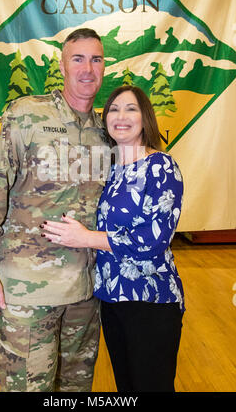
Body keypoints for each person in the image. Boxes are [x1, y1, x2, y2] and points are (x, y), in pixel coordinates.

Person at [0, 28, 107, 392]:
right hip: (27, 294)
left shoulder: (105, 131)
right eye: (78, 58)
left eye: (96, 59)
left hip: (85, 295)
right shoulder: (25, 115)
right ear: (62, 64)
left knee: (75, 389)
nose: (88, 68)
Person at [41, 85, 185, 392]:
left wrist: (86, 238)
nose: (121, 116)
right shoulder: (108, 169)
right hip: (111, 298)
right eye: (114, 110)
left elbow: (153, 240)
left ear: (145, 118)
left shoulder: (161, 166)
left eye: (130, 109)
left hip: (150, 300)